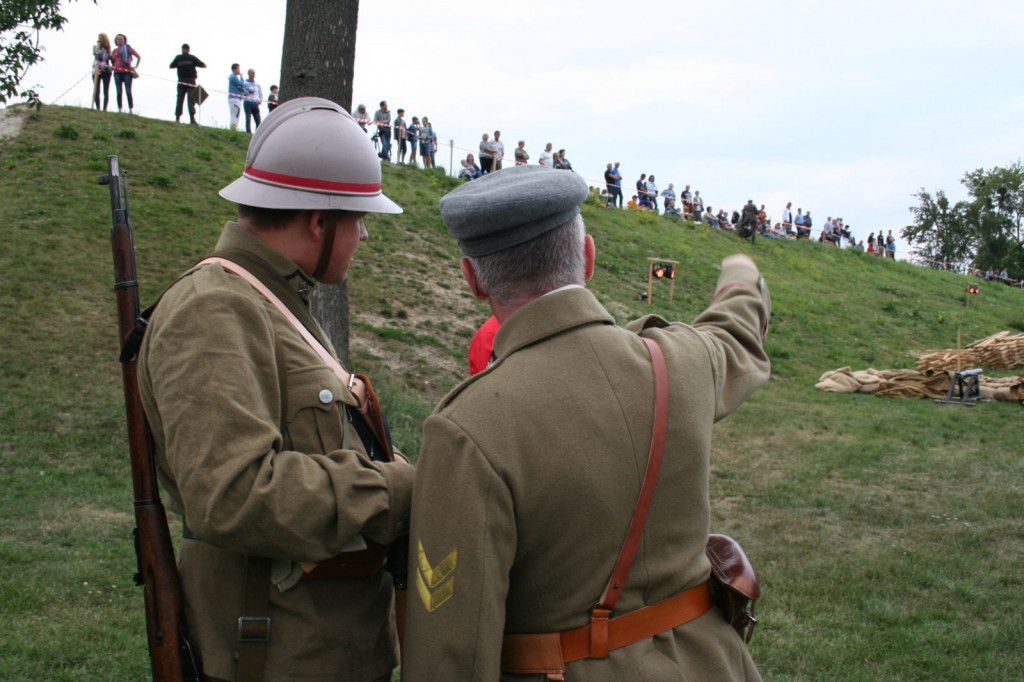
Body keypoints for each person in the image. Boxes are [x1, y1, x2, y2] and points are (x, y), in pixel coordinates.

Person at [404, 164, 770, 681]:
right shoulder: (682, 362)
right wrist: (740, 273)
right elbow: (736, 333)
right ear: (588, 256)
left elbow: (452, 652)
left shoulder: (468, 428)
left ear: (473, 281)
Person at [137, 98, 415, 682]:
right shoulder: (216, 307)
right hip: (274, 657)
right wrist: (391, 488)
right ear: (319, 220)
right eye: (358, 218)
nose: (364, 234)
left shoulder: (272, 300)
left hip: (318, 648)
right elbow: (233, 493)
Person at [169, 43, 206, 124]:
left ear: (182, 49)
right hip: (191, 81)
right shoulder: (192, 58)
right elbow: (203, 65)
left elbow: (171, 66)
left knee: (179, 100)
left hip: (181, 81)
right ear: (188, 50)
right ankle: (192, 119)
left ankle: (177, 118)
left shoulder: (178, 58)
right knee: (191, 101)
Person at [111, 33, 140, 114]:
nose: (119, 40)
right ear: (116, 41)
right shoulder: (114, 51)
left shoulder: (128, 48)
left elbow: (138, 56)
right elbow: (113, 61)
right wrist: (112, 66)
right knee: (119, 91)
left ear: (124, 40)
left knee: (128, 91)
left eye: (121, 39)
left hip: (127, 72)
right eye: (118, 39)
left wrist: (135, 66)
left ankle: (131, 109)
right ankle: (119, 108)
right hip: (117, 73)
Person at [92, 33, 113, 111]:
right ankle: (98, 107)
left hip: (106, 71)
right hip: (97, 70)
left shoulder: (108, 49)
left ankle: (104, 108)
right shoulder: (95, 47)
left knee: (106, 90)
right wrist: (98, 45)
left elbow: (111, 58)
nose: (100, 39)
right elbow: (96, 54)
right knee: (96, 89)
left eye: (102, 38)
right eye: (99, 38)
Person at [227, 63, 245, 130]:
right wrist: (242, 77)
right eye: (238, 68)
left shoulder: (234, 77)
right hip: (234, 99)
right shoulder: (233, 77)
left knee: (235, 114)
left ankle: (233, 127)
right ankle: (233, 127)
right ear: (234, 69)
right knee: (235, 114)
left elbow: (241, 87)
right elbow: (242, 84)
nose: (239, 70)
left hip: (236, 99)